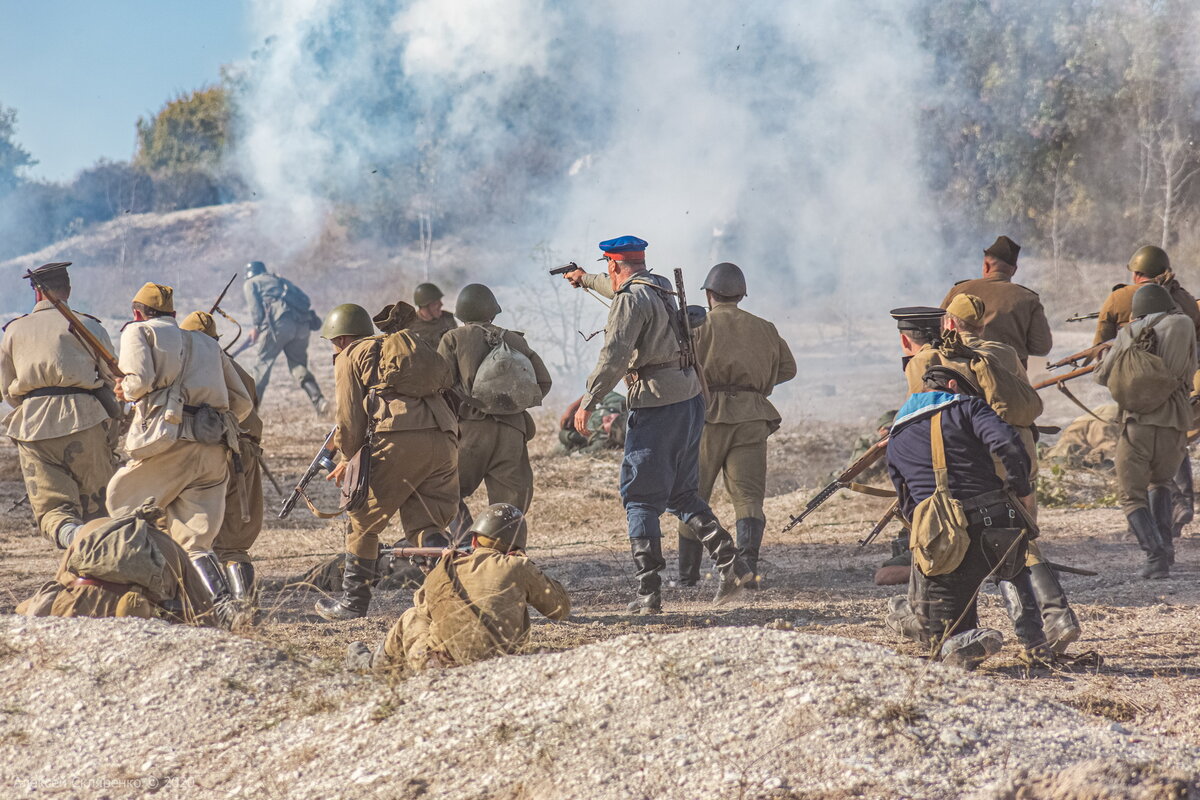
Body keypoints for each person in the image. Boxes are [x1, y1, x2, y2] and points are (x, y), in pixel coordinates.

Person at [562, 235, 752, 613]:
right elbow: (621, 288)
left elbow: (614, 357)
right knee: (681, 495)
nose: (607, 273)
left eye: (606, 268)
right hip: (688, 401)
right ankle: (734, 567)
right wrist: (584, 279)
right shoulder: (660, 286)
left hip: (656, 407)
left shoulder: (631, 299)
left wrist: (588, 402)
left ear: (614, 264)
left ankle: (648, 593)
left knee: (639, 499)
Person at [898, 297, 1081, 655]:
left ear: (948, 324)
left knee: (947, 538)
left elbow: (922, 415)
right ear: (981, 325)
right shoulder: (1004, 353)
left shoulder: (926, 360)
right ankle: (1050, 622)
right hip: (1013, 449)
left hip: (968, 459)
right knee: (1015, 538)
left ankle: (935, 623)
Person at [106, 283, 254, 628]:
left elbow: (137, 382)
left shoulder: (137, 331)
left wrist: (124, 388)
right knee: (196, 541)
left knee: (119, 506)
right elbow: (243, 404)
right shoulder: (207, 343)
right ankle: (223, 612)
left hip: (168, 443)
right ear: (173, 314)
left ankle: (145, 598)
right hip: (213, 447)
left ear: (137, 312)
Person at [313, 302, 460, 621]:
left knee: (362, 523)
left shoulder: (351, 356)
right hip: (444, 437)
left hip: (401, 440)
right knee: (426, 524)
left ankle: (353, 603)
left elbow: (349, 419)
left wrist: (349, 458)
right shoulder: (405, 349)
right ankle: (455, 595)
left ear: (340, 339)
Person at [884, 364, 1036, 670]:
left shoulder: (896, 434)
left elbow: (906, 499)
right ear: (954, 385)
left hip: (945, 540)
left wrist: (929, 532)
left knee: (940, 635)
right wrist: (1021, 487)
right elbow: (1007, 444)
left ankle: (939, 632)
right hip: (999, 524)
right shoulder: (968, 406)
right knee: (1018, 568)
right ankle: (1037, 642)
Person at [677, 262, 796, 588]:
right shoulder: (765, 327)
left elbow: (678, 368)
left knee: (692, 494)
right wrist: (758, 380)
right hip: (752, 417)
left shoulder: (696, 328)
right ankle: (748, 572)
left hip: (705, 416)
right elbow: (788, 369)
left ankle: (687, 577)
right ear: (742, 294)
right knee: (748, 498)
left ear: (709, 294)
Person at [349, 503, 570, 671]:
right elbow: (560, 609)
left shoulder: (449, 566)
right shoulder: (518, 565)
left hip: (436, 664)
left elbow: (423, 607)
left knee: (411, 617)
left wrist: (442, 568)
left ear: (474, 541)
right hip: (504, 662)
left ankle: (374, 666)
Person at [1, 262, 117, 549]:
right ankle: (102, 560)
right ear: (68, 289)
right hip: (85, 419)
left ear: (36, 293)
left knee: (54, 511)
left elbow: (7, 390)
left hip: (32, 425)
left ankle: (76, 542)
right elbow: (112, 379)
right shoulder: (88, 326)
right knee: (100, 505)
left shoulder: (13, 331)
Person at [1093, 245, 1200, 544]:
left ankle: (1152, 549)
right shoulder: (1188, 304)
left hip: (1138, 413)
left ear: (1137, 274)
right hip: (1178, 405)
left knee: (1132, 489)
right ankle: (1180, 510)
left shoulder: (1120, 298)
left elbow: (1100, 351)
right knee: (1163, 475)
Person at [438, 284, 551, 527]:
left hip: (470, 431)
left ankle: (465, 544)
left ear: (461, 313)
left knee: (443, 491)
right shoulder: (513, 340)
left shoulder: (453, 339)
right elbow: (543, 381)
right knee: (509, 506)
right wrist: (512, 405)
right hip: (513, 431)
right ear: (493, 311)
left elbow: (440, 386)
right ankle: (505, 555)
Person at [180, 310, 264, 611]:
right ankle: (245, 606)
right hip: (244, 453)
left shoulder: (184, 366)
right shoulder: (238, 370)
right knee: (235, 542)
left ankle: (219, 607)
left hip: (207, 454)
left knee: (194, 537)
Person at [940, 235, 1051, 367]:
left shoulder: (959, 290)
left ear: (986, 266)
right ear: (1014, 270)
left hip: (961, 373)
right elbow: (1042, 347)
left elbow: (938, 329)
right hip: (1010, 376)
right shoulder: (1028, 298)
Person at [242, 260, 327, 414]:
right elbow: (305, 300)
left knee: (262, 364)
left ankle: (250, 413)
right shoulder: (279, 280)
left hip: (280, 325)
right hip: (302, 324)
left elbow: (256, 309)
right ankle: (319, 401)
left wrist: (256, 327)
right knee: (298, 365)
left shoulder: (251, 283)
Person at [1093, 245, 1200, 346]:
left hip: (1134, 364)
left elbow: (1101, 348)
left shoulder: (1118, 297)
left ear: (1137, 273)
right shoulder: (1187, 300)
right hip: (1180, 364)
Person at [558, 392, 627, 454]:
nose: (608, 418)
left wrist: (568, 436)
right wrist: (572, 408)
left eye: (612, 425)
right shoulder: (618, 404)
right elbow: (599, 392)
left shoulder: (601, 443)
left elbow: (578, 453)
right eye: (616, 418)